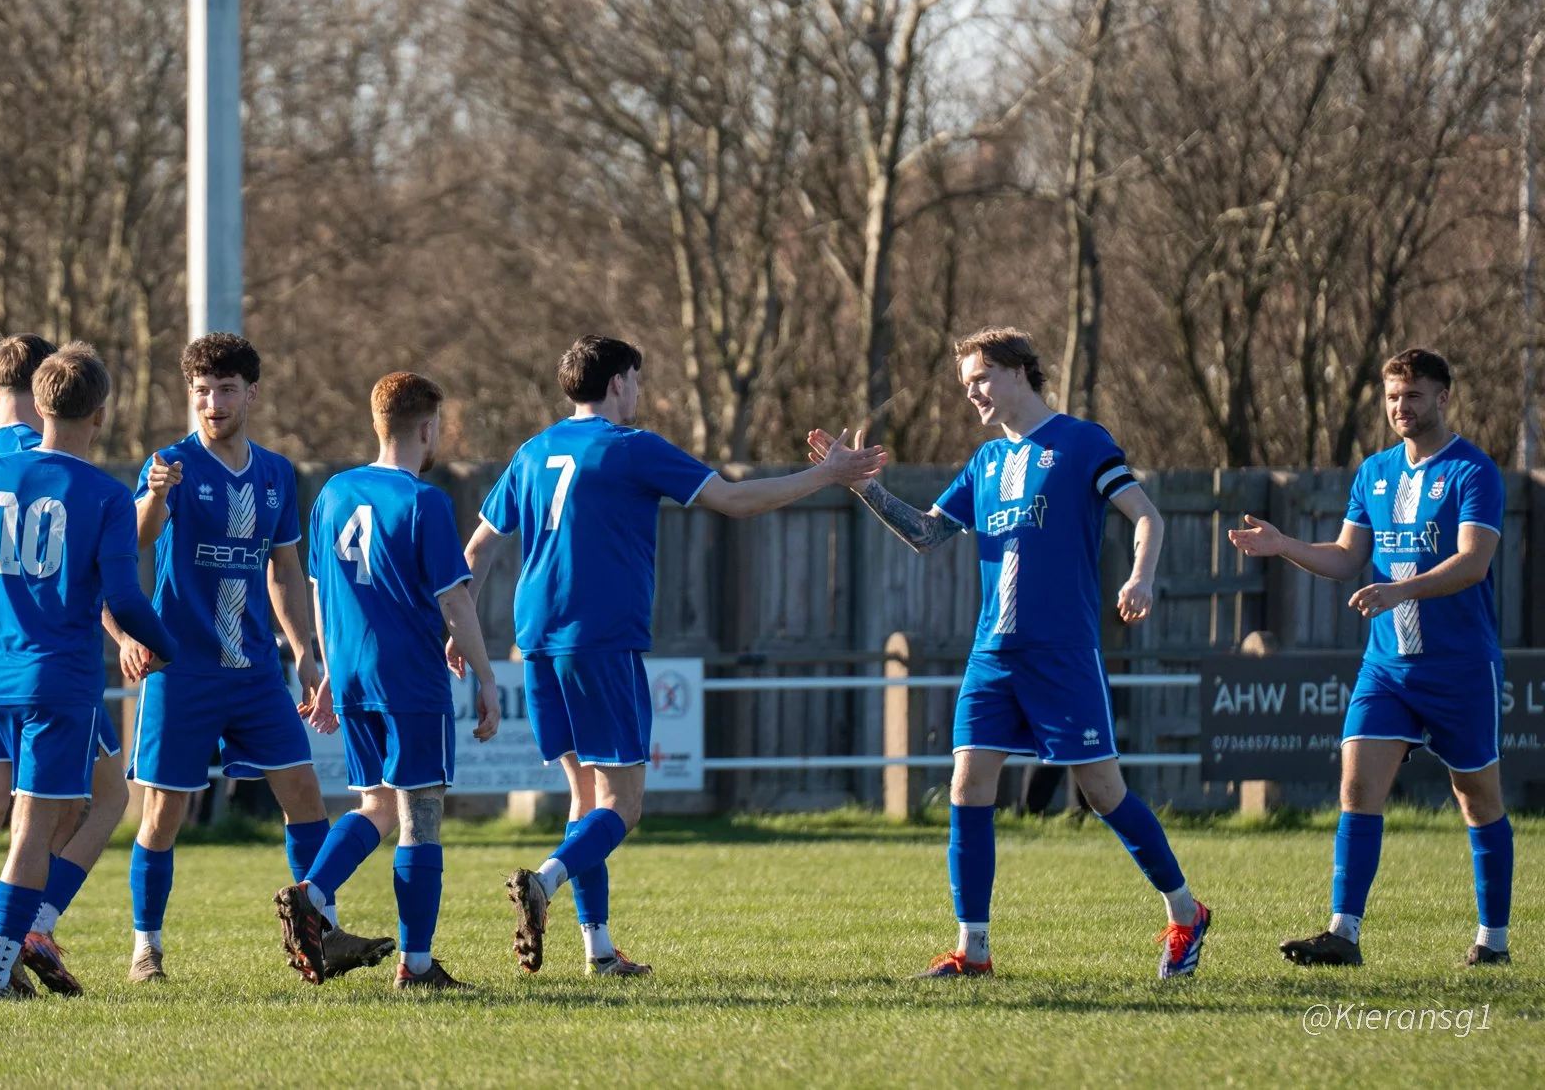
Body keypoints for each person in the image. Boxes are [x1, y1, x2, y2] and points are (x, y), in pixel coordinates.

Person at [467, 334, 885, 976]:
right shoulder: (631, 448)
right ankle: (544, 884)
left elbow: (479, 550)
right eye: (635, 380)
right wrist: (827, 475)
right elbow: (735, 501)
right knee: (623, 804)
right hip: (600, 639)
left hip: (538, 641)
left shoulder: (532, 451)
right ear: (616, 384)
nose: (638, 393)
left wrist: (458, 624)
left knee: (584, 798)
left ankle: (599, 952)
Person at [826, 326, 1210, 979]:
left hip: (1062, 654)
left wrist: (1141, 575)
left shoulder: (1082, 442)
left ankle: (1185, 911)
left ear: (1016, 371)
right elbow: (925, 533)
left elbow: (1148, 515)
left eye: (979, 377)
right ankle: (973, 951)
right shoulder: (985, 463)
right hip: (992, 655)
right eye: (966, 382)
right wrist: (865, 489)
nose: (971, 391)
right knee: (968, 785)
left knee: (1103, 791)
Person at [122, 333, 392, 983]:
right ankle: (145, 948)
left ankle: (316, 928)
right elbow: (138, 535)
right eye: (201, 392)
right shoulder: (171, 464)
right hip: (180, 670)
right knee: (164, 811)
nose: (212, 403)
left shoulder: (274, 473)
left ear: (251, 393)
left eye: (224, 389)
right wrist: (156, 494)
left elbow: (284, 569)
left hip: (253, 671)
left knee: (303, 792)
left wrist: (304, 651)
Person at [1229, 348, 1513, 968]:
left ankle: (1493, 941)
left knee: (1477, 798)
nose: (1400, 408)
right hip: (1387, 668)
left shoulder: (1473, 472)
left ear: (1443, 398)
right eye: (1391, 397)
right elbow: (1345, 557)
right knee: (1357, 784)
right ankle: (1344, 933)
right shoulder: (1375, 472)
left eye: (1412, 396)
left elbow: (1473, 563)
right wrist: (1283, 546)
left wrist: (1400, 589)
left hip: (1459, 668)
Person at [0, 343, 179, 1001]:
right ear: (101, 413)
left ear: (39, 405)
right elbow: (125, 599)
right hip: (59, 681)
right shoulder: (103, 494)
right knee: (33, 830)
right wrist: (167, 644)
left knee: (6, 822)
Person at [275, 372, 502, 991]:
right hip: (409, 678)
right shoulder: (424, 502)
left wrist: (323, 669)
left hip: (351, 675)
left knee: (373, 803)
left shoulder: (332, 494)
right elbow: (454, 601)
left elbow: (320, 591)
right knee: (420, 814)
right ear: (427, 428)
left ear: (378, 423)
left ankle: (313, 893)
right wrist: (486, 676)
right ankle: (417, 965)